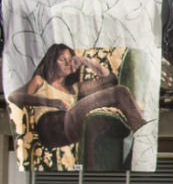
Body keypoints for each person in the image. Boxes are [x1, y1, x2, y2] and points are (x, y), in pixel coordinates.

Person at [7, 43, 148, 150]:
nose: (68, 63)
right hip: (51, 126)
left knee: (106, 110)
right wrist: (50, 101)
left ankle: (132, 137)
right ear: (52, 61)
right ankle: (143, 135)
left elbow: (109, 78)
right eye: (63, 60)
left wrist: (85, 61)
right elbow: (14, 97)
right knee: (119, 92)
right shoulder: (40, 81)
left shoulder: (75, 88)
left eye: (70, 59)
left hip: (70, 127)